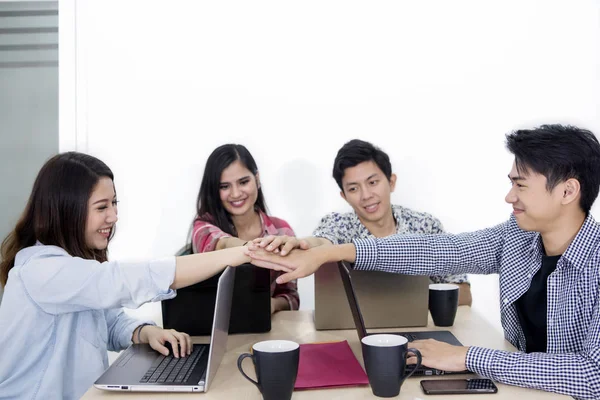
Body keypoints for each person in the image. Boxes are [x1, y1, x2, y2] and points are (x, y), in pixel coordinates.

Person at [248, 124, 600, 399]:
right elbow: (436, 251)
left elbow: (593, 375)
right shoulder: (518, 236)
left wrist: (464, 357)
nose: (509, 196)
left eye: (520, 186)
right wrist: (334, 251)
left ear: (568, 191)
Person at [0, 152, 282, 400]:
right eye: (102, 207)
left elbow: (107, 322)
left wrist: (144, 332)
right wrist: (240, 252)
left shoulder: (74, 266)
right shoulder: (41, 271)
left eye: (114, 203)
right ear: (67, 211)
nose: (113, 216)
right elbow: (125, 280)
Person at [254, 139, 472, 305]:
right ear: (344, 196)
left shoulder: (426, 226)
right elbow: (320, 242)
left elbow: (462, 292)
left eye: (373, 182)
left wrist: (412, 304)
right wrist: (301, 245)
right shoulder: (337, 225)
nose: (366, 195)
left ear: (391, 182)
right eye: (353, 188)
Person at [191, 144, 299, 313]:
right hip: (215, 327)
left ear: (257, 179)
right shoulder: (203, 226)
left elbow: (291, 296)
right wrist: (254, 249)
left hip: (266, 330)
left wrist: (270, 305)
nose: (235, 194)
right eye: (224, 186)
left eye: (243, 182)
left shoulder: (281, 231)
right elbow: (222, 244)